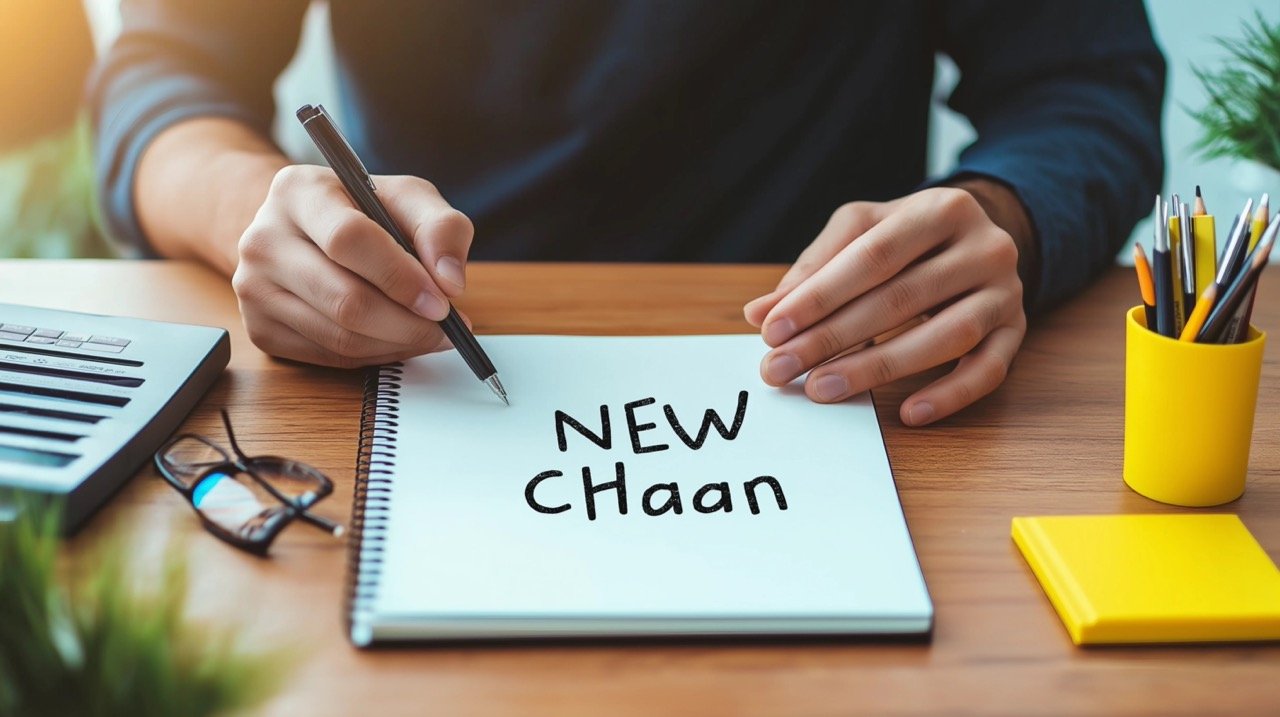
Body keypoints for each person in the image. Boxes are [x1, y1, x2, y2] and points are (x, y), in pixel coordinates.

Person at [90, 1, 1164, 425]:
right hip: (404, 366)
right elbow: (163, 78)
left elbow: (1082, 86)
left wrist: (1000, 216)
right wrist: (258, 215)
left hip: (839, 383)